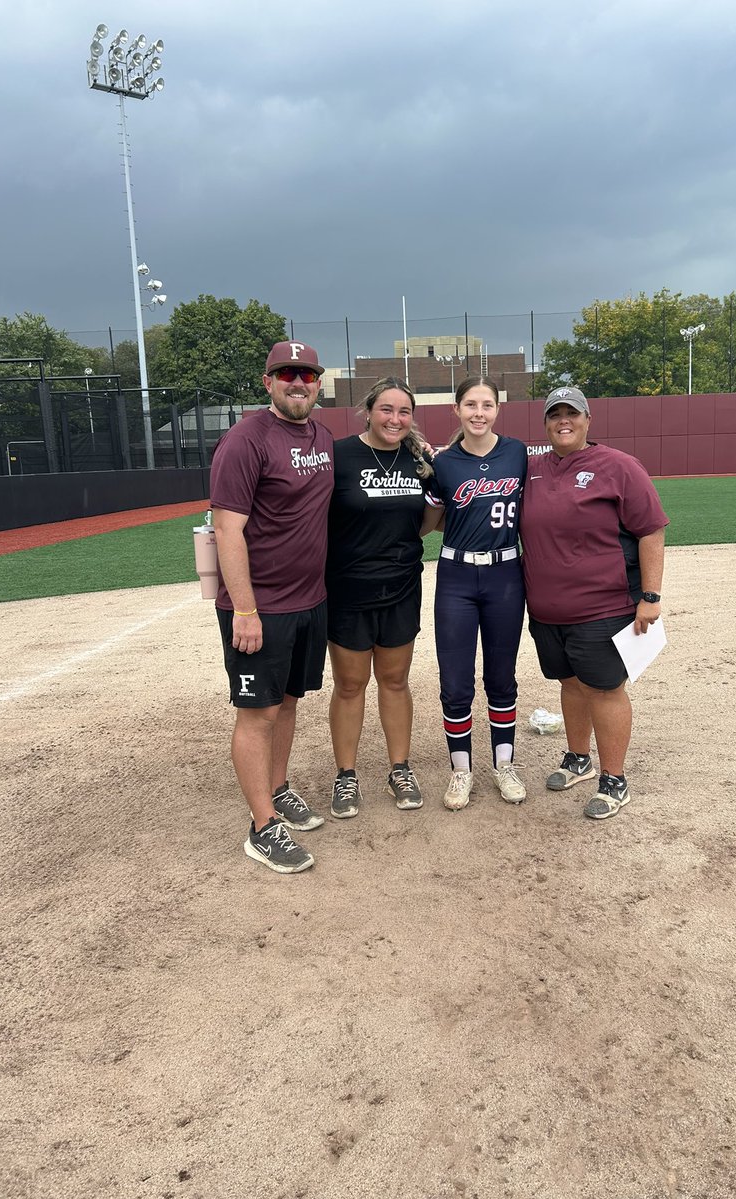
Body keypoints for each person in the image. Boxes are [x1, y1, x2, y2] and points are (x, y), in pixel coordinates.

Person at [210, 340, 333, 873]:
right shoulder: (245, 441)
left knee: (287, 702)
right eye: (287, 375)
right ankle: (262, 827)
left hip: (311, 601)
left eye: (306, 375)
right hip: (260, 607)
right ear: (268, 383)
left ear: (318, 383)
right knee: (257, 713)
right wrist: (245, 609)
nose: (298, 383)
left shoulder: (323, 437)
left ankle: (277, 788)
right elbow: (226, 529)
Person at [520, 386, 668, 820]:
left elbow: (651, 531)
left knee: (604, 690)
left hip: (602, 607)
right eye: (555, 414)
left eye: (572, 413)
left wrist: (651, 596)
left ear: (588, 419)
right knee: (569, 683)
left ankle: (614, 779)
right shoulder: (532, 469)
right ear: (545, 423)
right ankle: (578, 758)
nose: (563, 421)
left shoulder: (619, 467)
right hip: (547, 609)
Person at [325, 377, 435, 819]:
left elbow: (426, 522)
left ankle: (399, 769)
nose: (395, 419)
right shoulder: (339, 456)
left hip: (402, 585)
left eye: (404, 412)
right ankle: (346, 775)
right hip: (348, 587)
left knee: (395, 681)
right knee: (350, 685)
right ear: (368, 411)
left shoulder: (420, 461)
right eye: (386, 410)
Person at [424, 377, 528, 811]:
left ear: (497, 409)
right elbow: (428, 522)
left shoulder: (518, 453)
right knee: (455, 681)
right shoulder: (444, 464)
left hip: (506, 574)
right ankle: (461, 770)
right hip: (457, 576)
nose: (479, 412)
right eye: (471, 404)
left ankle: (504, 764)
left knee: (501, 678)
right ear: (457, 409)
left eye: (487, 404)